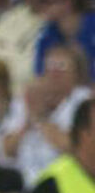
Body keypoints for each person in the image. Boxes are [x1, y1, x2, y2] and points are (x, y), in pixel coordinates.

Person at [6, 46, 92, 185]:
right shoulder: (26, 99)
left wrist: (41, 118)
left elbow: (75, 148)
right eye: (50, 66)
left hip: (70, 183)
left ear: (77, 73)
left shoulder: (85, 101)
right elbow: (8, 150)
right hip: (27, 184)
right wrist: (28, 121)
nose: (54, 73)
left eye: (62, 67)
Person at [32, 0, 95, 77]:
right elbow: (41, 74)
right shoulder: (46, 34)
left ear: (67, 3)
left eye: (45, 0)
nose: (40, 6)